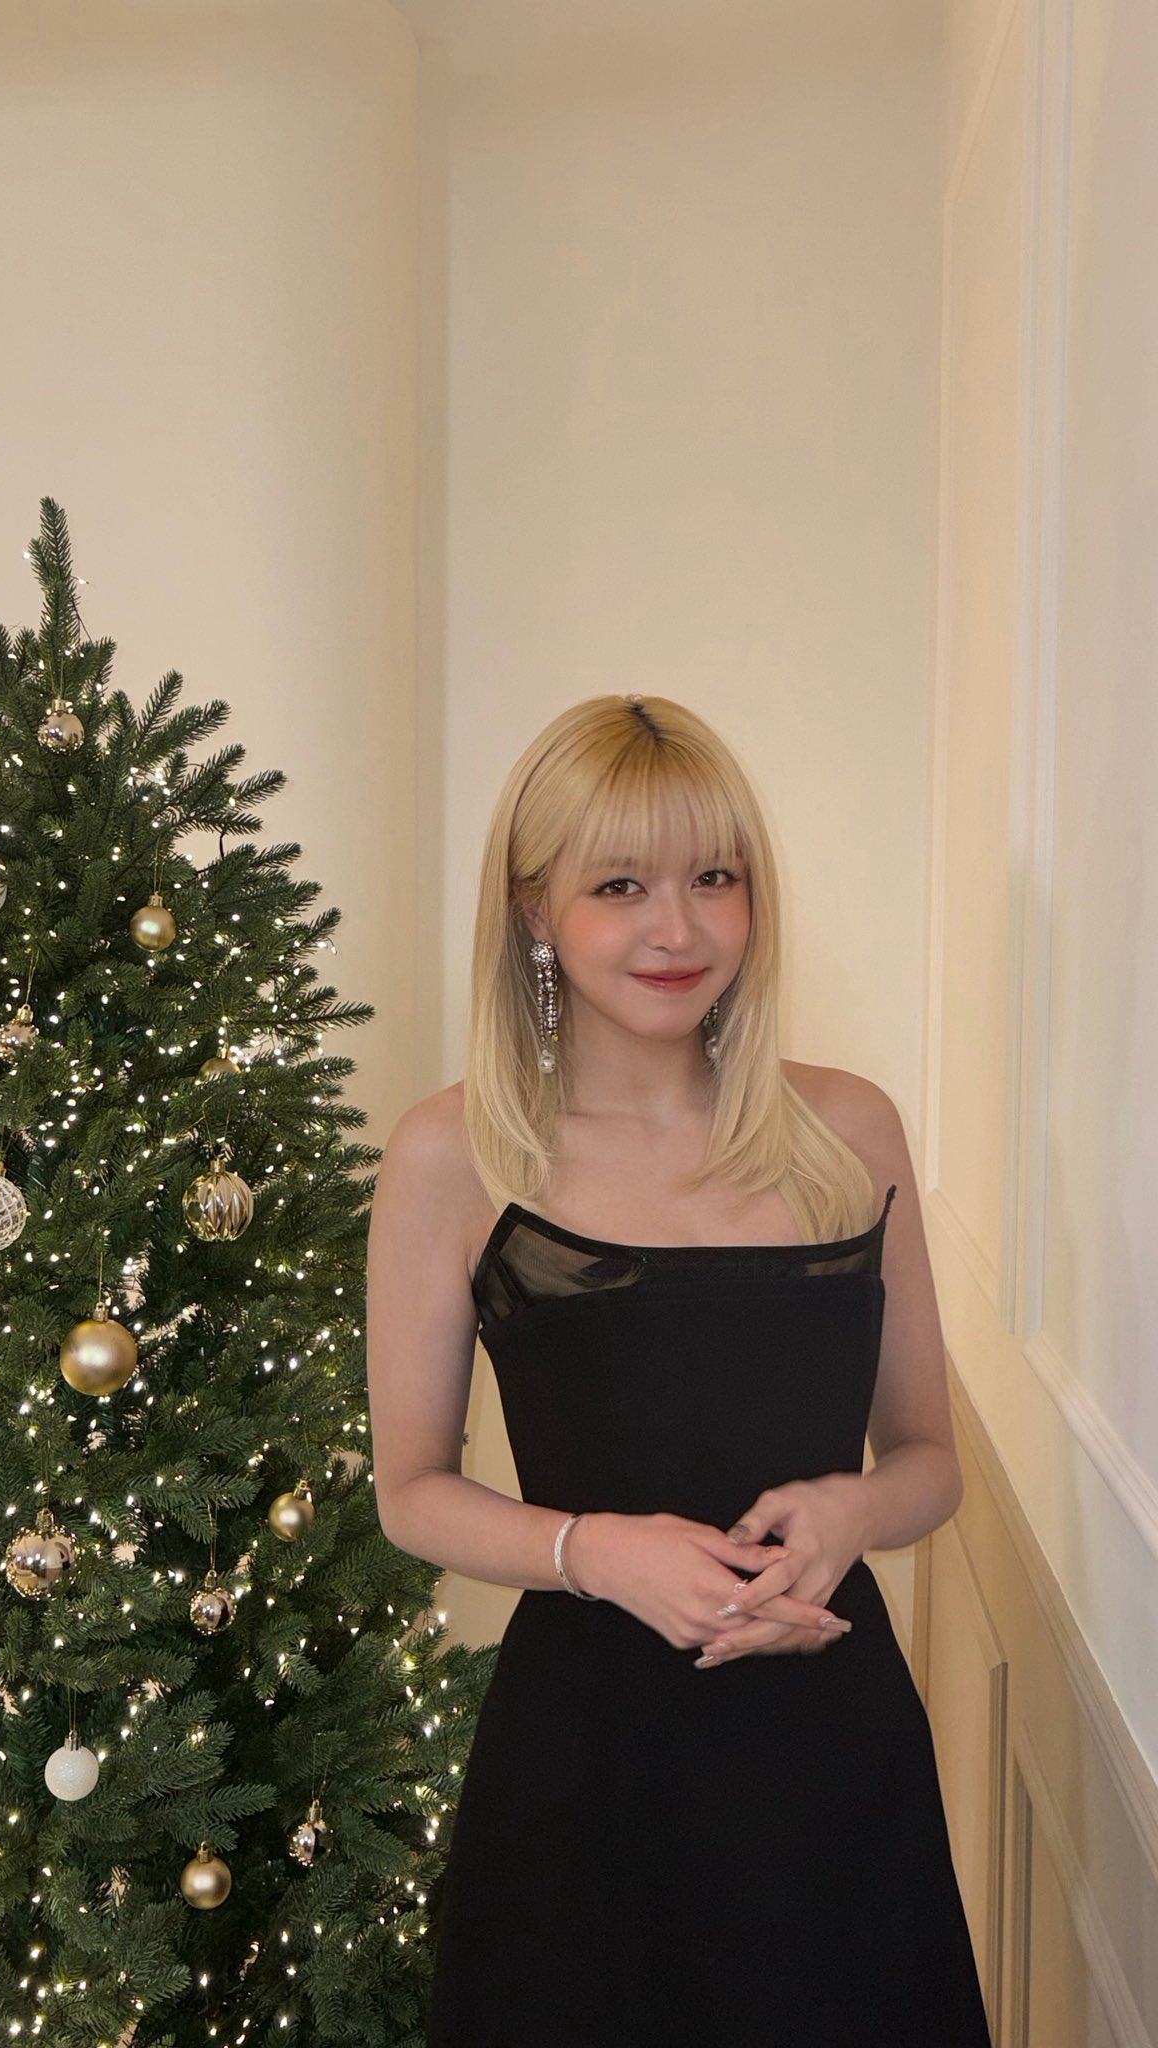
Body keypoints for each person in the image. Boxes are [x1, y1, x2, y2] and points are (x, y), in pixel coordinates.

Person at [366, 695, 992, 2045]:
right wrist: (597, 1550)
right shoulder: (452, 1154)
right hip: (586, 1766)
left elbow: (929, 1460)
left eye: (715, 877)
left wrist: (848, 1515)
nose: (679, 930)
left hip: (830, 1744)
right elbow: (410, 1490)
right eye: (620, 887)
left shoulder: (849, 1130)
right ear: (534, 908)